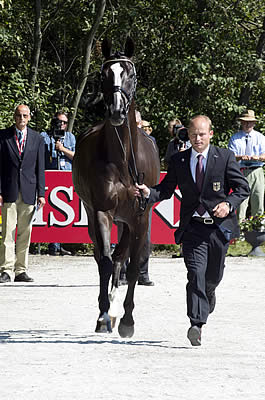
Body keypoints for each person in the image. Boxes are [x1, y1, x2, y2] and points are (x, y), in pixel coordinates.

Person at [134, 115, 250, 345]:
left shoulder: (224, 157)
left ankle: (209, 292)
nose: (198, 138)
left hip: (218, 229)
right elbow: (166, 190)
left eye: (202, 134)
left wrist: (228, 204)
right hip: (193, 228)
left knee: (212, 277)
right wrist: (149, 193)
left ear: (211, 134)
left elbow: (242, 188)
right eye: (194, 134)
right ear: (188, 134)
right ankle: (196, 324)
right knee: (195, 274)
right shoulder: (179, 160)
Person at [0, 104, 46, 283]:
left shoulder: (37, 138)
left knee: (25, 233)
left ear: (29, 118)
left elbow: (40, 168)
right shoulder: (3, 137)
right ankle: (6, 269)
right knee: (7, 232)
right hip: (9, 190)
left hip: (28, 191)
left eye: (24, 116)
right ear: (14, 117)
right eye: (19, 115)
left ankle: (21, 270)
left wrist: (41, 193)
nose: (21, 119)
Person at [41, 111, 76, 256]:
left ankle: (61, 243)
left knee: (63, 212)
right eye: (59, 121)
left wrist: (62, 149)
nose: (61, 125)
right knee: (51, 211)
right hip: (50, 176)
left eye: (64, 122)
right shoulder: (44, 136)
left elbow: (76, 156)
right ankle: (52, 244)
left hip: (66, 176)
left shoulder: (70, 137)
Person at [228, 109, 265, 222]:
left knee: (258, 202)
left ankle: (258, 232)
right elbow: (230, 156)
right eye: (245, 122)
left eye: (250, 122)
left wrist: (258, 157)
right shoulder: (235, 138)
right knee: (240, 204)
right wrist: (240, 157)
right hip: (241, 172)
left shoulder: (261, 137)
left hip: (257, 171)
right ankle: (239, 234)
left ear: (254, 123)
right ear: (241, 122)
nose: (248, 124)